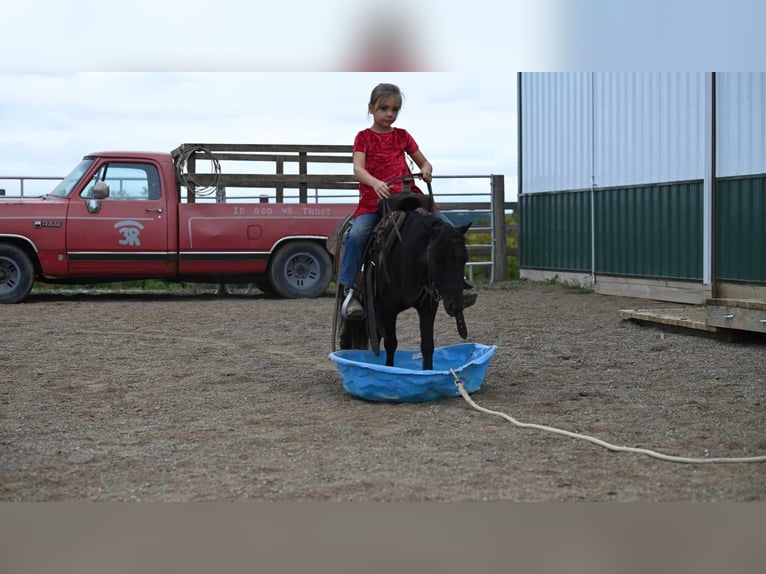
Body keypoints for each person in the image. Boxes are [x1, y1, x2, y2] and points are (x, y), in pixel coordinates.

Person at [339, 82, 476, 320]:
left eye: (395, 109)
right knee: (357, 234)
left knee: (449, 230)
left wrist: (426, 169)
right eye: (384, 108)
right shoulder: (364, 138)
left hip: (408, 196)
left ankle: (454, 280)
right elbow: (357, 169)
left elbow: (424, 161)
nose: (389, 114)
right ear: (371, 108)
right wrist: (375, 182)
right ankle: (349, 289)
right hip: (375, 200)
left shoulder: (402, 136)